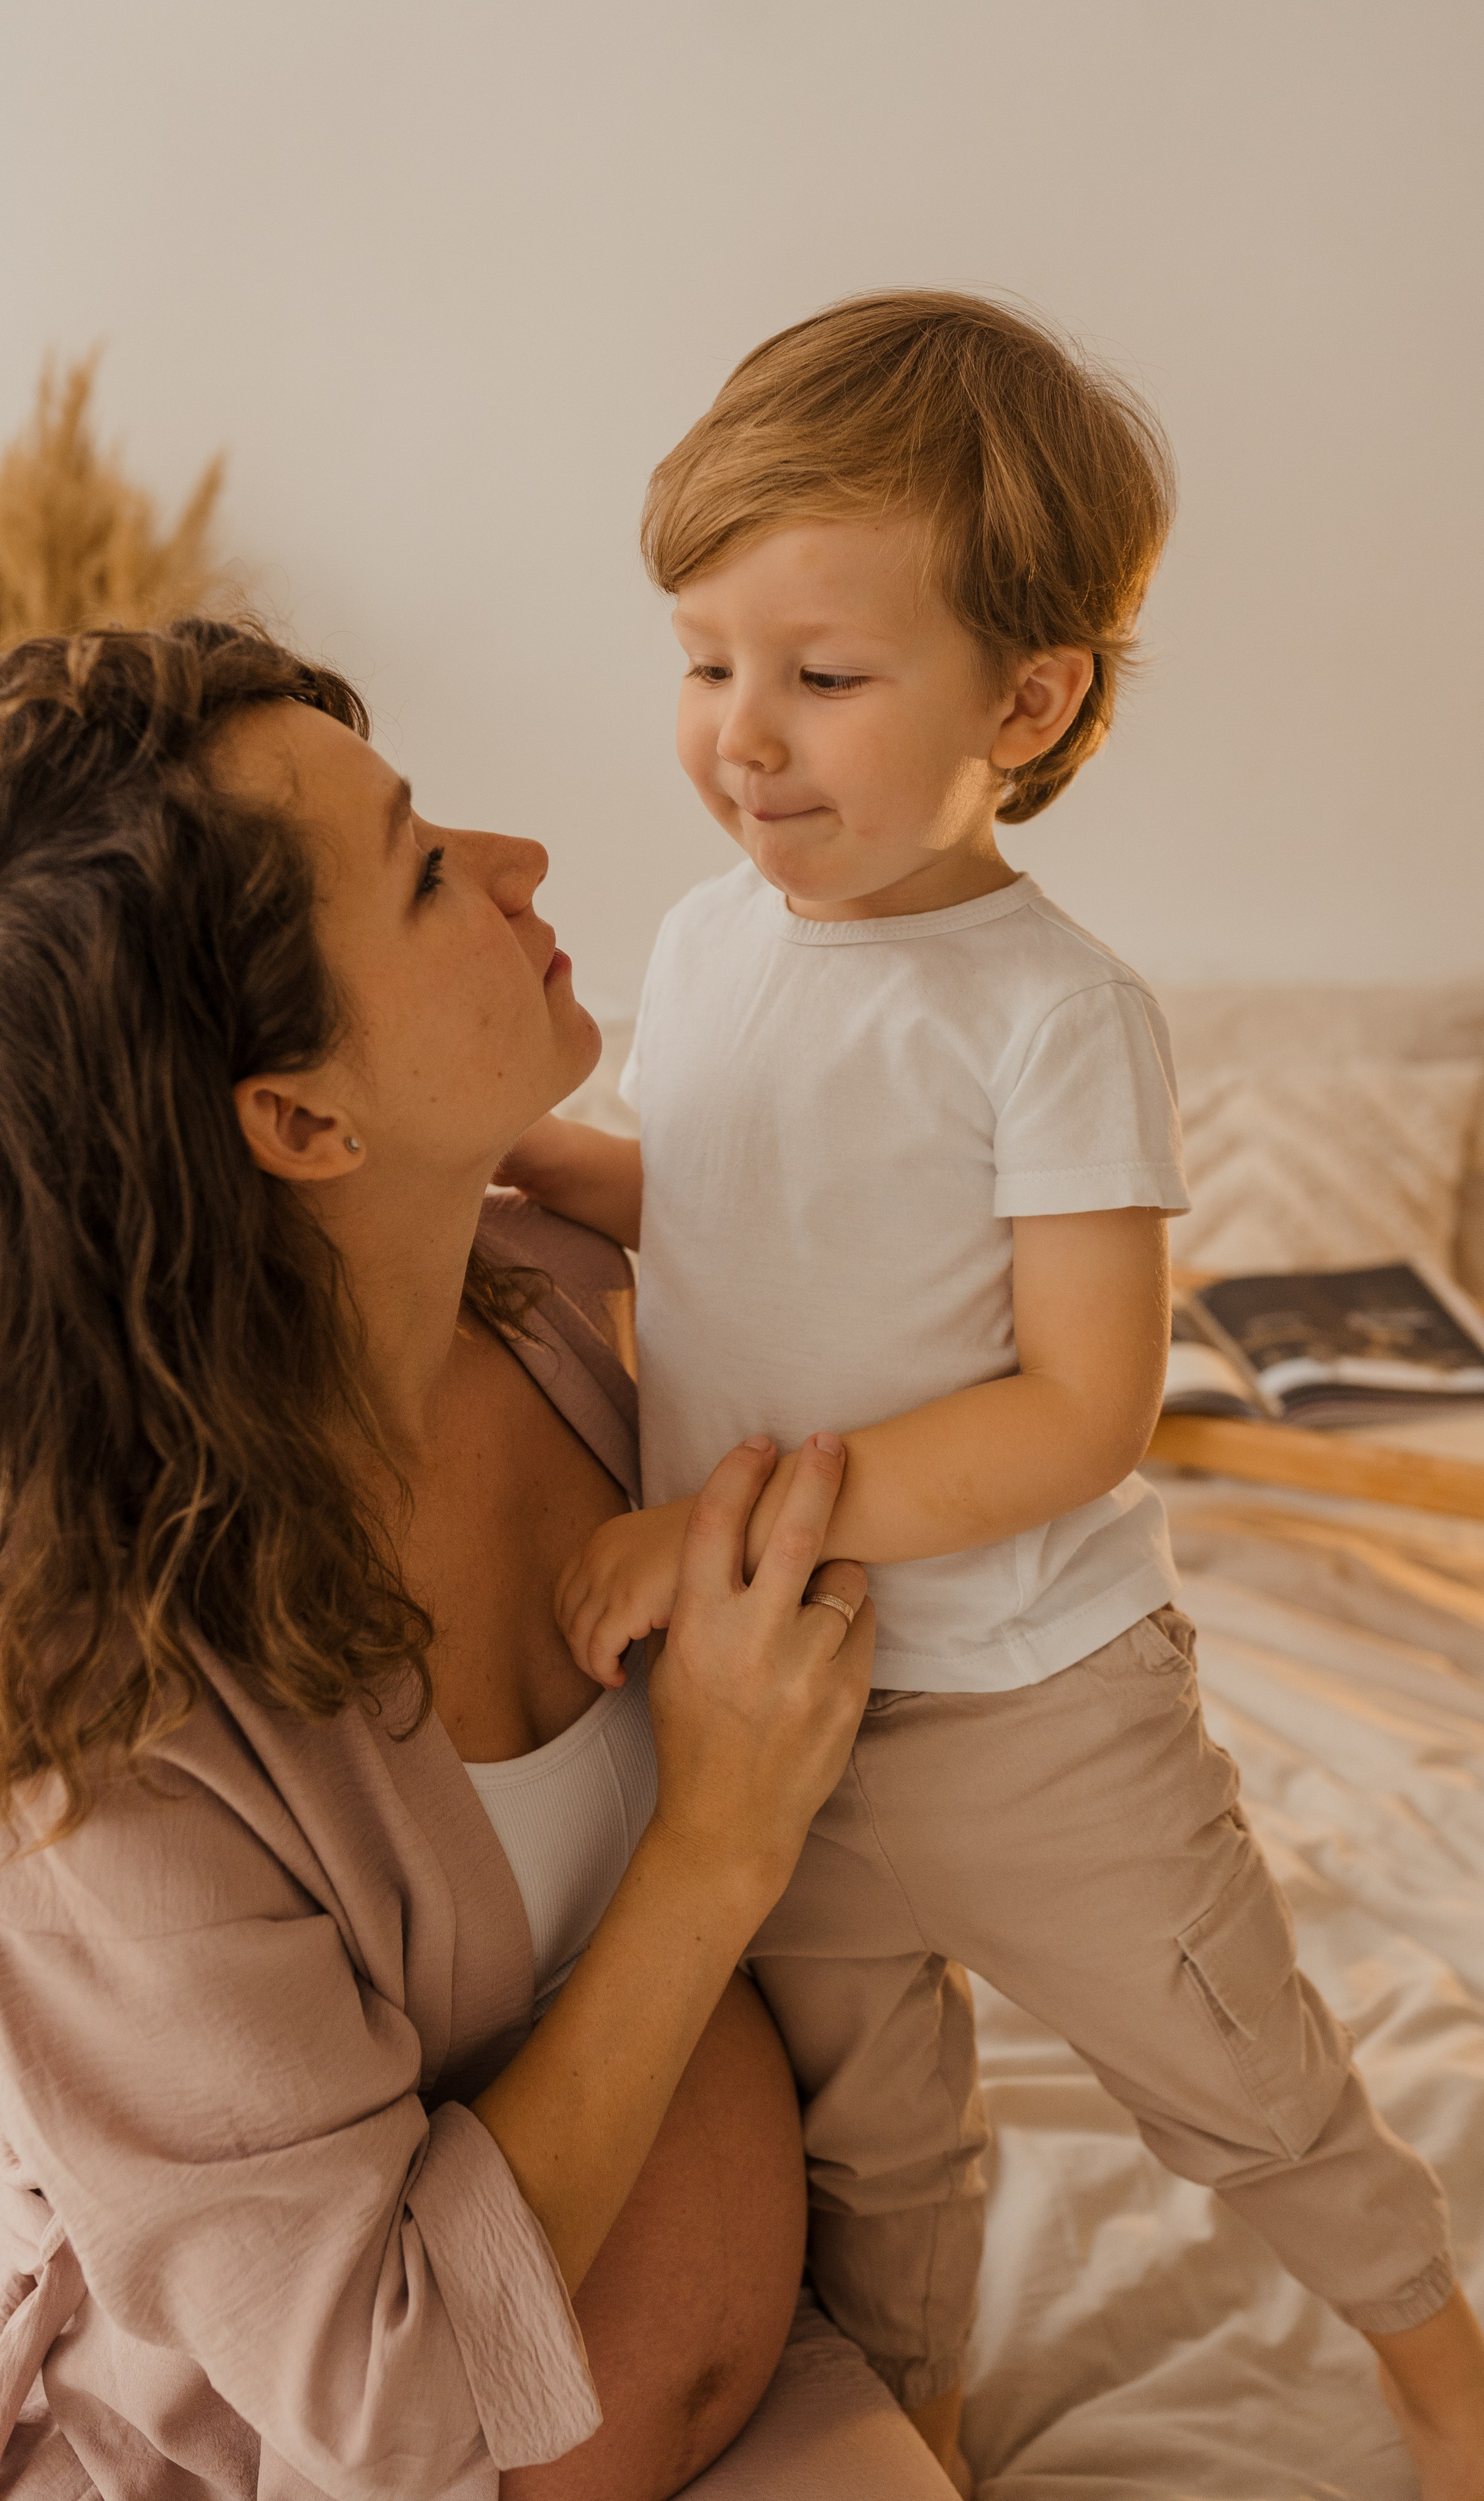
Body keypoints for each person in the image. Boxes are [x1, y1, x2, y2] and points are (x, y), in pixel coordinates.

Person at [0, 619, 958, 2501]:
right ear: (299, 1121)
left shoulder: (561, 1306)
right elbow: (383, 2389)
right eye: (426, 872)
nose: (521, 868)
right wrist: (713, 1850)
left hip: (772, 2393)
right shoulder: (80, 1716)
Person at [496, 290, 1484, 2500]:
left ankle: (1441, 2364)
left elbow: (1077, 1411)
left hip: (1030, 1708)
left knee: (1234, 2076)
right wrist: (535, 1161)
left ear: (1025, 703)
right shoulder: (711, 941)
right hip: (781, 1717)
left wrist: (718, 1521)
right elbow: (740, 1209)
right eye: (704, 659)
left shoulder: (1052, 1014)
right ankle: (920, 2422)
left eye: (825, 679)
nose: (745, 736)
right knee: (871, 2141)